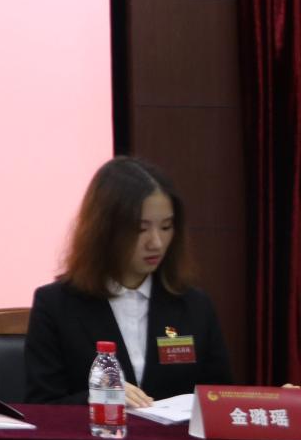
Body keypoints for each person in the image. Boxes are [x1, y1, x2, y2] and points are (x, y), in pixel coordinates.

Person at [25, 155, 231, 405]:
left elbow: (220, 399)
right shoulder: (56, 305)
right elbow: (42, 406)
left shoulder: (195, 306)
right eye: (141, 229)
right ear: (104, 229)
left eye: (166, 227)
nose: (156, 243)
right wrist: (98, 397)